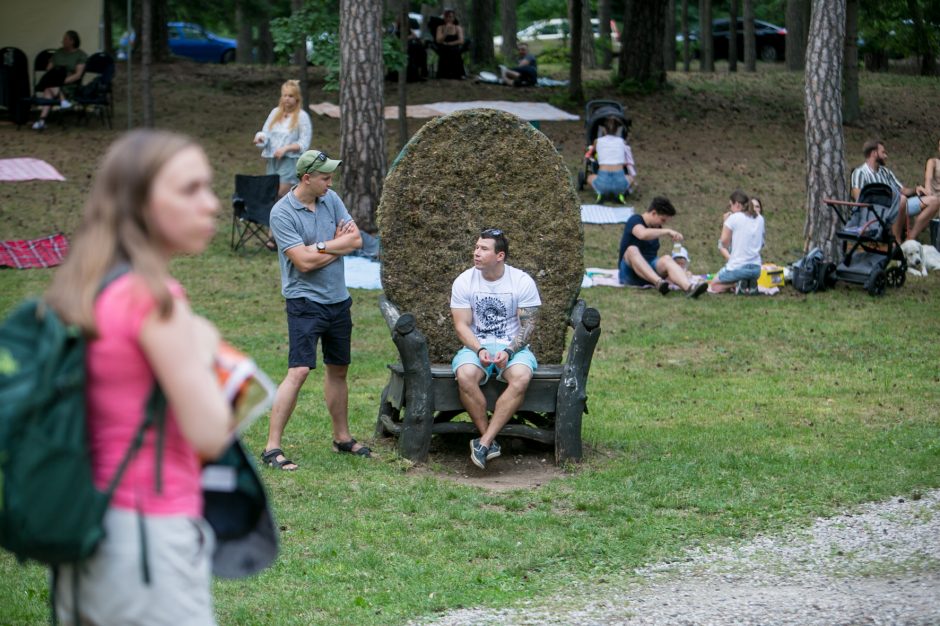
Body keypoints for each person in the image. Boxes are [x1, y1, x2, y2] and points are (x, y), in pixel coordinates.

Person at [44, 130, 233, 623]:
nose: (212, 205)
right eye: (190, 190)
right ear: (140, 202)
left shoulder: (91, 283)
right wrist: (205, 347)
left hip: (88, 525)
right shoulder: (153, 298)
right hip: (149, 538)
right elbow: (211, 432)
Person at [263, 149, 367, 470]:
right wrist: (335, 245)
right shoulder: (282, 213)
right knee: (299, 371)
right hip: (305, 303)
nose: (330, 182)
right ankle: (272, 448)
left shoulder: (331, 199)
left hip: (338, 300)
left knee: (338, 370)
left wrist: (321, 247)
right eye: (325, 177)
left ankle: (342, 437)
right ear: (306, 178)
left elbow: (357, 240)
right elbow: (304, 263)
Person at [450, 228, 541, 470]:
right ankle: (488, 440)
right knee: (465, 375)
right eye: (476, 247)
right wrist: (479, 349)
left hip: (513, 346)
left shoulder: (521, 281)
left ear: (499, 256)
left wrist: (509, 351)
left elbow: (528, 325)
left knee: (521, 377)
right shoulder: (464, 281)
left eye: (483, 249)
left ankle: (484, 442)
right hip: (476, 344)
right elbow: (461, 325)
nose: (476, 253)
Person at [850, 139, 940, 243]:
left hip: (898, 206)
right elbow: (858, 197)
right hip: (876, 211)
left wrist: (915, 189)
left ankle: (910, 238)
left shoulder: (885, 172)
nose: (886, 156)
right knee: (901, 200)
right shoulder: (860, 172)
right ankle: (896, 242)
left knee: (934, 200)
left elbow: (902, 190)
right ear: (874, 153)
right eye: (883, 152)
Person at [618, 196, 708, 298]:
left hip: (650, 271)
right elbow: (642, 234)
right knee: (631, 249)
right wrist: (667, 231)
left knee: (667, 258)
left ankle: (689, 288)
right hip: (630, 273)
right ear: (653, 213)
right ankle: (658, 283)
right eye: (662, 220)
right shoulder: (635, 220)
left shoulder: (656, 228)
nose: (663, 223)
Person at [253, 80, 313, 199]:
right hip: (272, 160)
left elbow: (304, 143)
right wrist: (260, 139)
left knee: (281, 193)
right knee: (270, 192)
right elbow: (266, 134)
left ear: (297, 98)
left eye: (290, 96)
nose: (287, 99)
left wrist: (286, 149)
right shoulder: (275, 112)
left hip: (290, 161)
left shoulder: (302, 116)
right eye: (284, 95)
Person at [708, 190, 765, 294]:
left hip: (738, 267)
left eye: (731, 205)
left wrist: (725, 222)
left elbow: (724, 243)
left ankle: (737, 283)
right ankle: (749, 283)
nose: (730, 208)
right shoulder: (760, 219)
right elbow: (761, 243)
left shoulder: (733, 218)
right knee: (745, 273)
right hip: (756, 269)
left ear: (737, 205)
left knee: (714, 286)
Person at [32, 30, 87, 131]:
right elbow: (49, 69)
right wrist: (53, 70)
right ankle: (62, 102)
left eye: (65, 39)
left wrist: (62, 81)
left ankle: (42, 120)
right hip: (55, 82)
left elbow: (78, 75)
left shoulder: (81, 55)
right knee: (49, 86)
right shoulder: (58, 52)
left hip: (70, 84)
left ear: (72, 41)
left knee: (48, 88)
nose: (62, 41)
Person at [586, 116, 637, 203]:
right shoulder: (622, 142)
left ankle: (600, 192)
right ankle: (621, 193)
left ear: (604, 130)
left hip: (602, 182)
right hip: (619, 182)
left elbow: (592, 152)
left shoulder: (597, 141)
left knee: (589, 178)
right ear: (617, 130)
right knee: (631, 178)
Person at [434, 8, 466, 79]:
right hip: (443, 47)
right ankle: (443, 73)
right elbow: (438, 40)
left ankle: (458, 74)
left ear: (454, 18)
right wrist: (445, 32)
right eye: (447, 17)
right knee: (445, 51)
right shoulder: (440, 27)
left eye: (450, 17)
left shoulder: (458, 28)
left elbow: (461, 40)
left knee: (455, 51)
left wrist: (450, 43)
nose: (449, 19)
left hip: (454, 47)